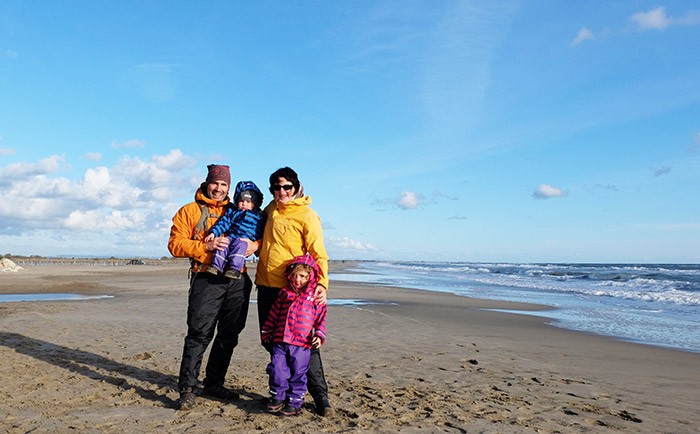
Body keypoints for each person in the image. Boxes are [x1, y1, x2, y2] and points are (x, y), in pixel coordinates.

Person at [167, 164, 256, 410]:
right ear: (207, 183)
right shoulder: (189, 211)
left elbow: (261, 230)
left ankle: (215, 383)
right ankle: (187, 388)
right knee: (199, 334)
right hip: (205, 278)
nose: (218, 189)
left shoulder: (239, 207)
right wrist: (206, 246)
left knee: (229, 335)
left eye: (224, 184)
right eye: (215, 183)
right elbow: (175, 245)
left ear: (229, 187)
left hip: (237, 280)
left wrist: (255, 246)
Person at [255, 166, 333, 416]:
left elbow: (319, 253)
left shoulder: (308, 216)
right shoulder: (271, 210)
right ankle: (284, 393)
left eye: (286, 186)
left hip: (293, 291)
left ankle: (321, 398)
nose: (281, 192)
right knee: (274, 345)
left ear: (296, 187)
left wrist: (321, 285)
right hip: (267, 286)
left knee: (303, 346)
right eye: (276, 187)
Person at [261, 254, 327, 416]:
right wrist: (267, 331)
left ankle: (295, 402)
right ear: (289, 275)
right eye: (295, 275)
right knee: (278, 369)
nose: (298, 279)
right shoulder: (285, 293)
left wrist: (319, 334)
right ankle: (278, 397)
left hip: (302, 343)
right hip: (281, 340)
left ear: (310, 276)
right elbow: (274, 314)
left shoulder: (314, 296)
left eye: (303, 276)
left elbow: (320, 317)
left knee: (298, 373)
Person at [204, 180, 265, 280]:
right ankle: (216, 266)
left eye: (248, 202)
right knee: (223, 244)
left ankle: (235, 269)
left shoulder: (259, 216)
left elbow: (264, 231)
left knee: (240, 246)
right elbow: (224, 222)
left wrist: (256, 243)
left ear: (254, 203)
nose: (244, 204)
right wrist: (214, 232)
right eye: (241, 201)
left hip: (245, 240)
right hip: (232, 236)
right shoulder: (233, 212)